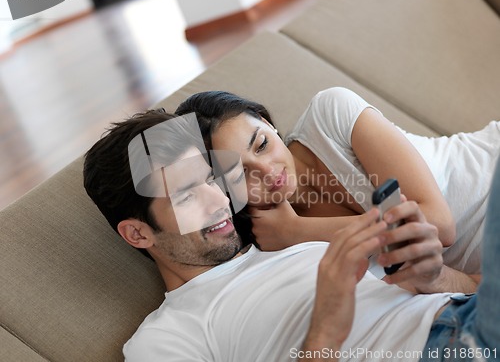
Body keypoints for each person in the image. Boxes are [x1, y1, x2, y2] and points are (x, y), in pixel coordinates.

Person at [83, 109, 500, 361]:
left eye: (212, 179)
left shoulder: (297, 242)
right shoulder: (168, 336)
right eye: (187, 195)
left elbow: (471, 286)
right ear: (137, 233)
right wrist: (324, 332)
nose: (218, 201)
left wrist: (435, 279)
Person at [174, 87, 500, 281]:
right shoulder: (270, 248)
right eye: (239, 174)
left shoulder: (330, 114)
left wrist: (297, 231)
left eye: (261, 144)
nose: (266, 170)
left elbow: (440, 226)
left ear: (269, 124)